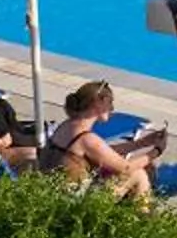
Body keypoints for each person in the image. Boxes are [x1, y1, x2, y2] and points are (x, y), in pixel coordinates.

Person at [39, 79, 169, 202]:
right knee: (137, 173)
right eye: (110, 102)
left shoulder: (66, 126)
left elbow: (103, 152)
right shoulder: (86, 139)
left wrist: (142, 143)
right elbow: (125, 168)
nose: (112, 108)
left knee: (129, 171)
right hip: (73, 204)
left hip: (52, 194)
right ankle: (144, 221)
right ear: (99, 102)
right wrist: (156, 151)